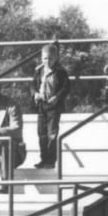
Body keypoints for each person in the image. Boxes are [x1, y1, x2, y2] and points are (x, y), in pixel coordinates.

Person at [30, 40, 72, 170]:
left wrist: (57, 97)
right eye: (45, 58)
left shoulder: (60, 72)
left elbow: (65, 87)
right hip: (41, 105)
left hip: (53, 106)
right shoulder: (39, 71)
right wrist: (35, 94)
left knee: (52, 134)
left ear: (56, 58)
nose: (47, 61)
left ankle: (51, 160)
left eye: (50, 59)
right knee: (41, 133)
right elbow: (32, 85)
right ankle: (43, 158)